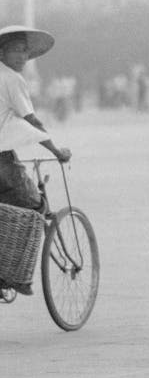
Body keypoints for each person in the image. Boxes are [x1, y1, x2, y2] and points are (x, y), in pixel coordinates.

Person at [0, 25, 71, 296]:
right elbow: (32, 120)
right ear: (2, 52)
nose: (22, 56)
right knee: (34, 206)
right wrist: (57, 151)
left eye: (25, 51)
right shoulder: (11, 79)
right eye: (16, 49)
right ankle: (14, 275)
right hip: (1, 160)